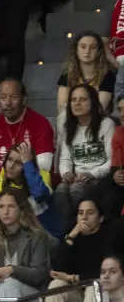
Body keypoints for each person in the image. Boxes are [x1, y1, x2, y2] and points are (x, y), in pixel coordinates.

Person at [42, 199, 113, 302]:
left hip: (102, 297)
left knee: (95, 284)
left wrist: (73, 278)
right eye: (80, 213)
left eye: (90, 213)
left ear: (100, 218)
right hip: (78, 297)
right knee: (56, 284)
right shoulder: (73, 237)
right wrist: (71, 236)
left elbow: (103, 271)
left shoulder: (109, 238)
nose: (84, 217)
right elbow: (58, 269)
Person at [56, 85, 115, 217]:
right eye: (73, 100)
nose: (77, 103)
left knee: (76, 189)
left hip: (100, 177)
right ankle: (69, 226)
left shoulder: (106, 124)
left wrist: (91, 174)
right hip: (78, 178)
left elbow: (111, 161)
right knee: (60, 189)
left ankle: (84, 224)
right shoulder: (68, 128)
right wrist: (66, 173)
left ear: (93, 102)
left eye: (82, 99)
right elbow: (65, 159)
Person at [61, 33, 117, 113]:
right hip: (71, 117)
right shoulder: (67, 73)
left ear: (98, 52)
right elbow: (62, 107)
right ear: (76, 50)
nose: (87, 51)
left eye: (93, 47)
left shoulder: (107, 74)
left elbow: (101, 108)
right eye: (83, 47)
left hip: (98, 118)